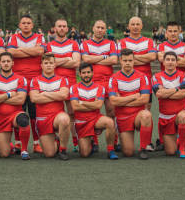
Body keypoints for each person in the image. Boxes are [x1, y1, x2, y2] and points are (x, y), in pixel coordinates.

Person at [6, 15, 45, 153]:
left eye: (29, 23)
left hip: (35, 80)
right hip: (17, 81)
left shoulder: (40, 37)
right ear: (19, 25)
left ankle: (36, 142)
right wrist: (31, 52)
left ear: (32, 25)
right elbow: (11, 52)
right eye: (23, 23)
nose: (26, 25)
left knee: (34, 113)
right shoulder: (14, 38)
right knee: (18, 112)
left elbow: (40, 51)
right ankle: (18, 142)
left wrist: (20, 51)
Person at [108, 49, 153, 159]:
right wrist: (133, 96)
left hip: (138, 115)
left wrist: (122, 101)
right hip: (123, 118)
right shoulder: (113, 78)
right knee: (128, 153)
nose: (127, 63)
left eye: (130, 60)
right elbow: (113, 101)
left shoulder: (142, 76)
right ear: (120, 61)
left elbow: (145, 99)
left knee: (146, 115)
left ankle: (143, 149)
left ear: (134, 61)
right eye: (125, 60)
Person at [81, 20, 119, 151]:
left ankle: (114, 141)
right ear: (93, 28)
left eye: (103, 28)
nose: (100, 30)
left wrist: (95, 58)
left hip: (108, 82)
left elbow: (114, 60)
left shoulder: (111, 43)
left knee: (111, 111)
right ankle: (94, 141)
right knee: (91, 112)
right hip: (92, 83)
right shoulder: (85, 44)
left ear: (105, 30)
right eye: (98, 27)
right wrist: (104, 57)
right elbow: (86, 59)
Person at [0, 52, 31, 159]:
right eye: (3, 61)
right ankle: (10, 146)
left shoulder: (20, 79)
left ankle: (24, 150)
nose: (6, 63)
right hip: (1, 118)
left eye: (8, 61)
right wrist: (9, 94)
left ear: (12, 63)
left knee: (23, 119)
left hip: (16, 114)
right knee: (4, 154)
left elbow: (20, 100)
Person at [70, 63, 117, 159]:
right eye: (83, 73)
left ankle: (110, 150)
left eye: (88, 72)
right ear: (79, 74)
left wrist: (82, 102)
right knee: (84, 154)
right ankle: (91, 140)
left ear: (92, 73)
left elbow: (98, 105)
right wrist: (92, 104)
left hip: (95, 118)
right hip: (81, 122)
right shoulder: (74, 88)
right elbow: (75, 107)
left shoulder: (100, 88)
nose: (86, 75)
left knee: (109, 122)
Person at [29, 53, 71, 160]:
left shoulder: (62, 79)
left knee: (65, 119)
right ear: (41, 65)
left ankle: (63, 149)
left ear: (55, 65)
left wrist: (44, 94)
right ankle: (56, 140)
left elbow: (63, 95)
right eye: (46, 63)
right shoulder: (35, 80)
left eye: (51, 63)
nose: (48, 65)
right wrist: (55, 95)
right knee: (49, 154)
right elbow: (34, 98)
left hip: (57, 116)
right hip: (42, 118)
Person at [46, 19, 80, 149]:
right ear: (54, 28)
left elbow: (76, 63)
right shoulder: (49, 45)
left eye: (64, 26)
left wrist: (56, 61)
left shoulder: (74, 44)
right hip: (54, 83)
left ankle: (76, 142)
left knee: (72, 112)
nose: (61, 28)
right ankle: (58, 140)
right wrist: (67, 58)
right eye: (59, 26)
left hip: (71, 82)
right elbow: (49, 63)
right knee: (55, 113)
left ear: (67, 29)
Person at [152, 52, 185, 158]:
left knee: (183, 117)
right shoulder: (156, 76)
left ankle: (183, 148)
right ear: (163, 62)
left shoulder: (184, 76)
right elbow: (159, 94)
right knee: (170, 152)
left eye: (173, 60)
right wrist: (177, 89)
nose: (170, 62)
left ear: (176, 62)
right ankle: (178, 139)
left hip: (181, 111)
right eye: (168, 59)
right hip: (165, 116)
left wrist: (166, 93)